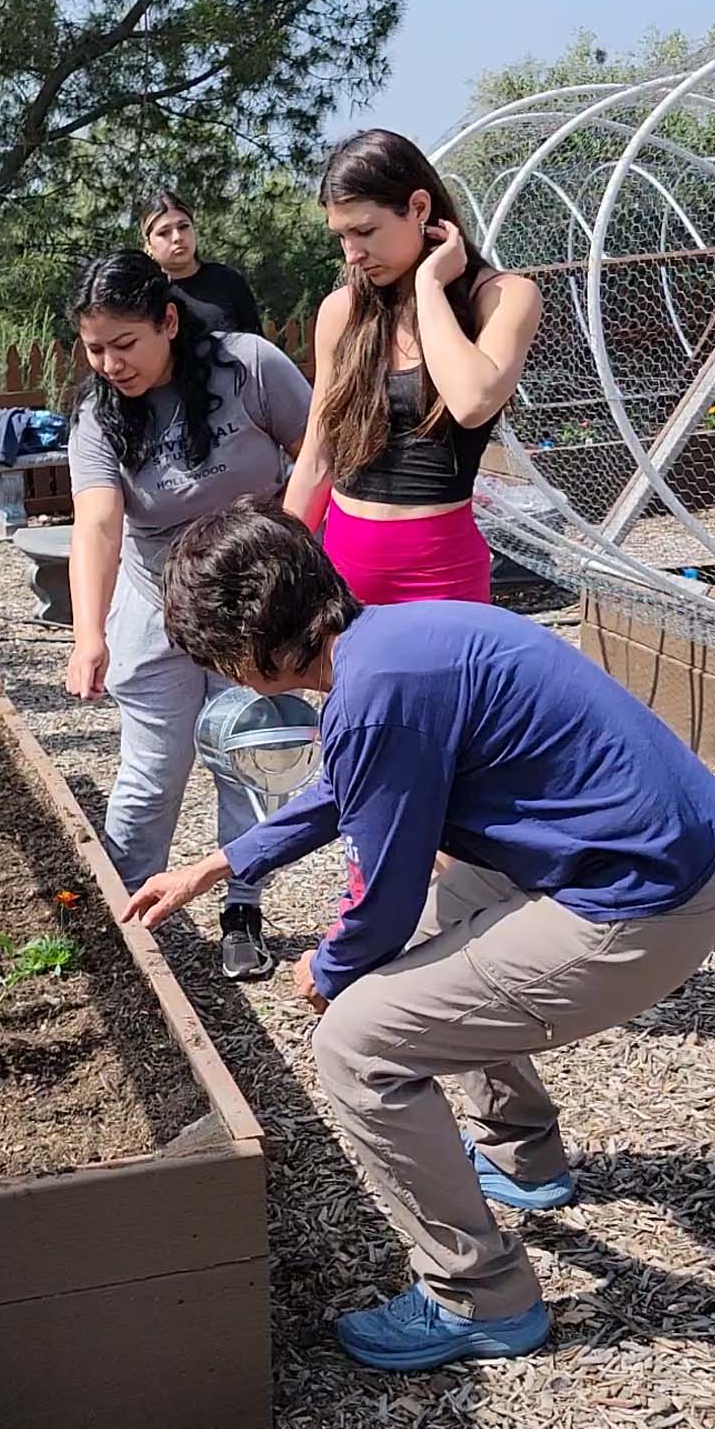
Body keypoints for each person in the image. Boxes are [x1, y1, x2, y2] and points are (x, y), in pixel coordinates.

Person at [124, 500, 715, 1373]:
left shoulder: (378, 693)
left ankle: (478, 1295)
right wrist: (217, 866)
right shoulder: (397, 640)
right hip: (667, 861)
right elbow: (350, 785)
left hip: (641, 908)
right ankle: (524, 1160)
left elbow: (383, 895)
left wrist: (329, 969)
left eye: (217, 658)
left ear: (248, 647)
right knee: (468, 900)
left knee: (356, 1044)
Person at [64, 252, 312, 980]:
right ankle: (127, 909)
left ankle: (243, 906)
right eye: (94, 347)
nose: (110, 362)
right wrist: (89, 634)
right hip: (158, 604)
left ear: (169, 321)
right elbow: (98, 526)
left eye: (125, 343)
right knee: (152, 769)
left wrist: (293, 565)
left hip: (254, 605)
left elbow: (319, 454)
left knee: (247, 757)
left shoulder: (250, 367)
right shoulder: (98, 413)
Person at [284, 130, 541, 604]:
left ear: (419, 209)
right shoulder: (342, 311)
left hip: (442, 575)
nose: (352, 254)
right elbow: (318, 455)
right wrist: (282, 571)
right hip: (342, 574)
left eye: (365, 232)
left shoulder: (503, 297)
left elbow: (471, 401)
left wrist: (428, 285)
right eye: (341, 236)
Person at [141, 190, 263, 337]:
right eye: (164, 232)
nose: (177, 237)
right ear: (148, 244)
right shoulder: (146, 294)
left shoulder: (227, 281)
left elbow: (256, 346)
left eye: (183, 227)